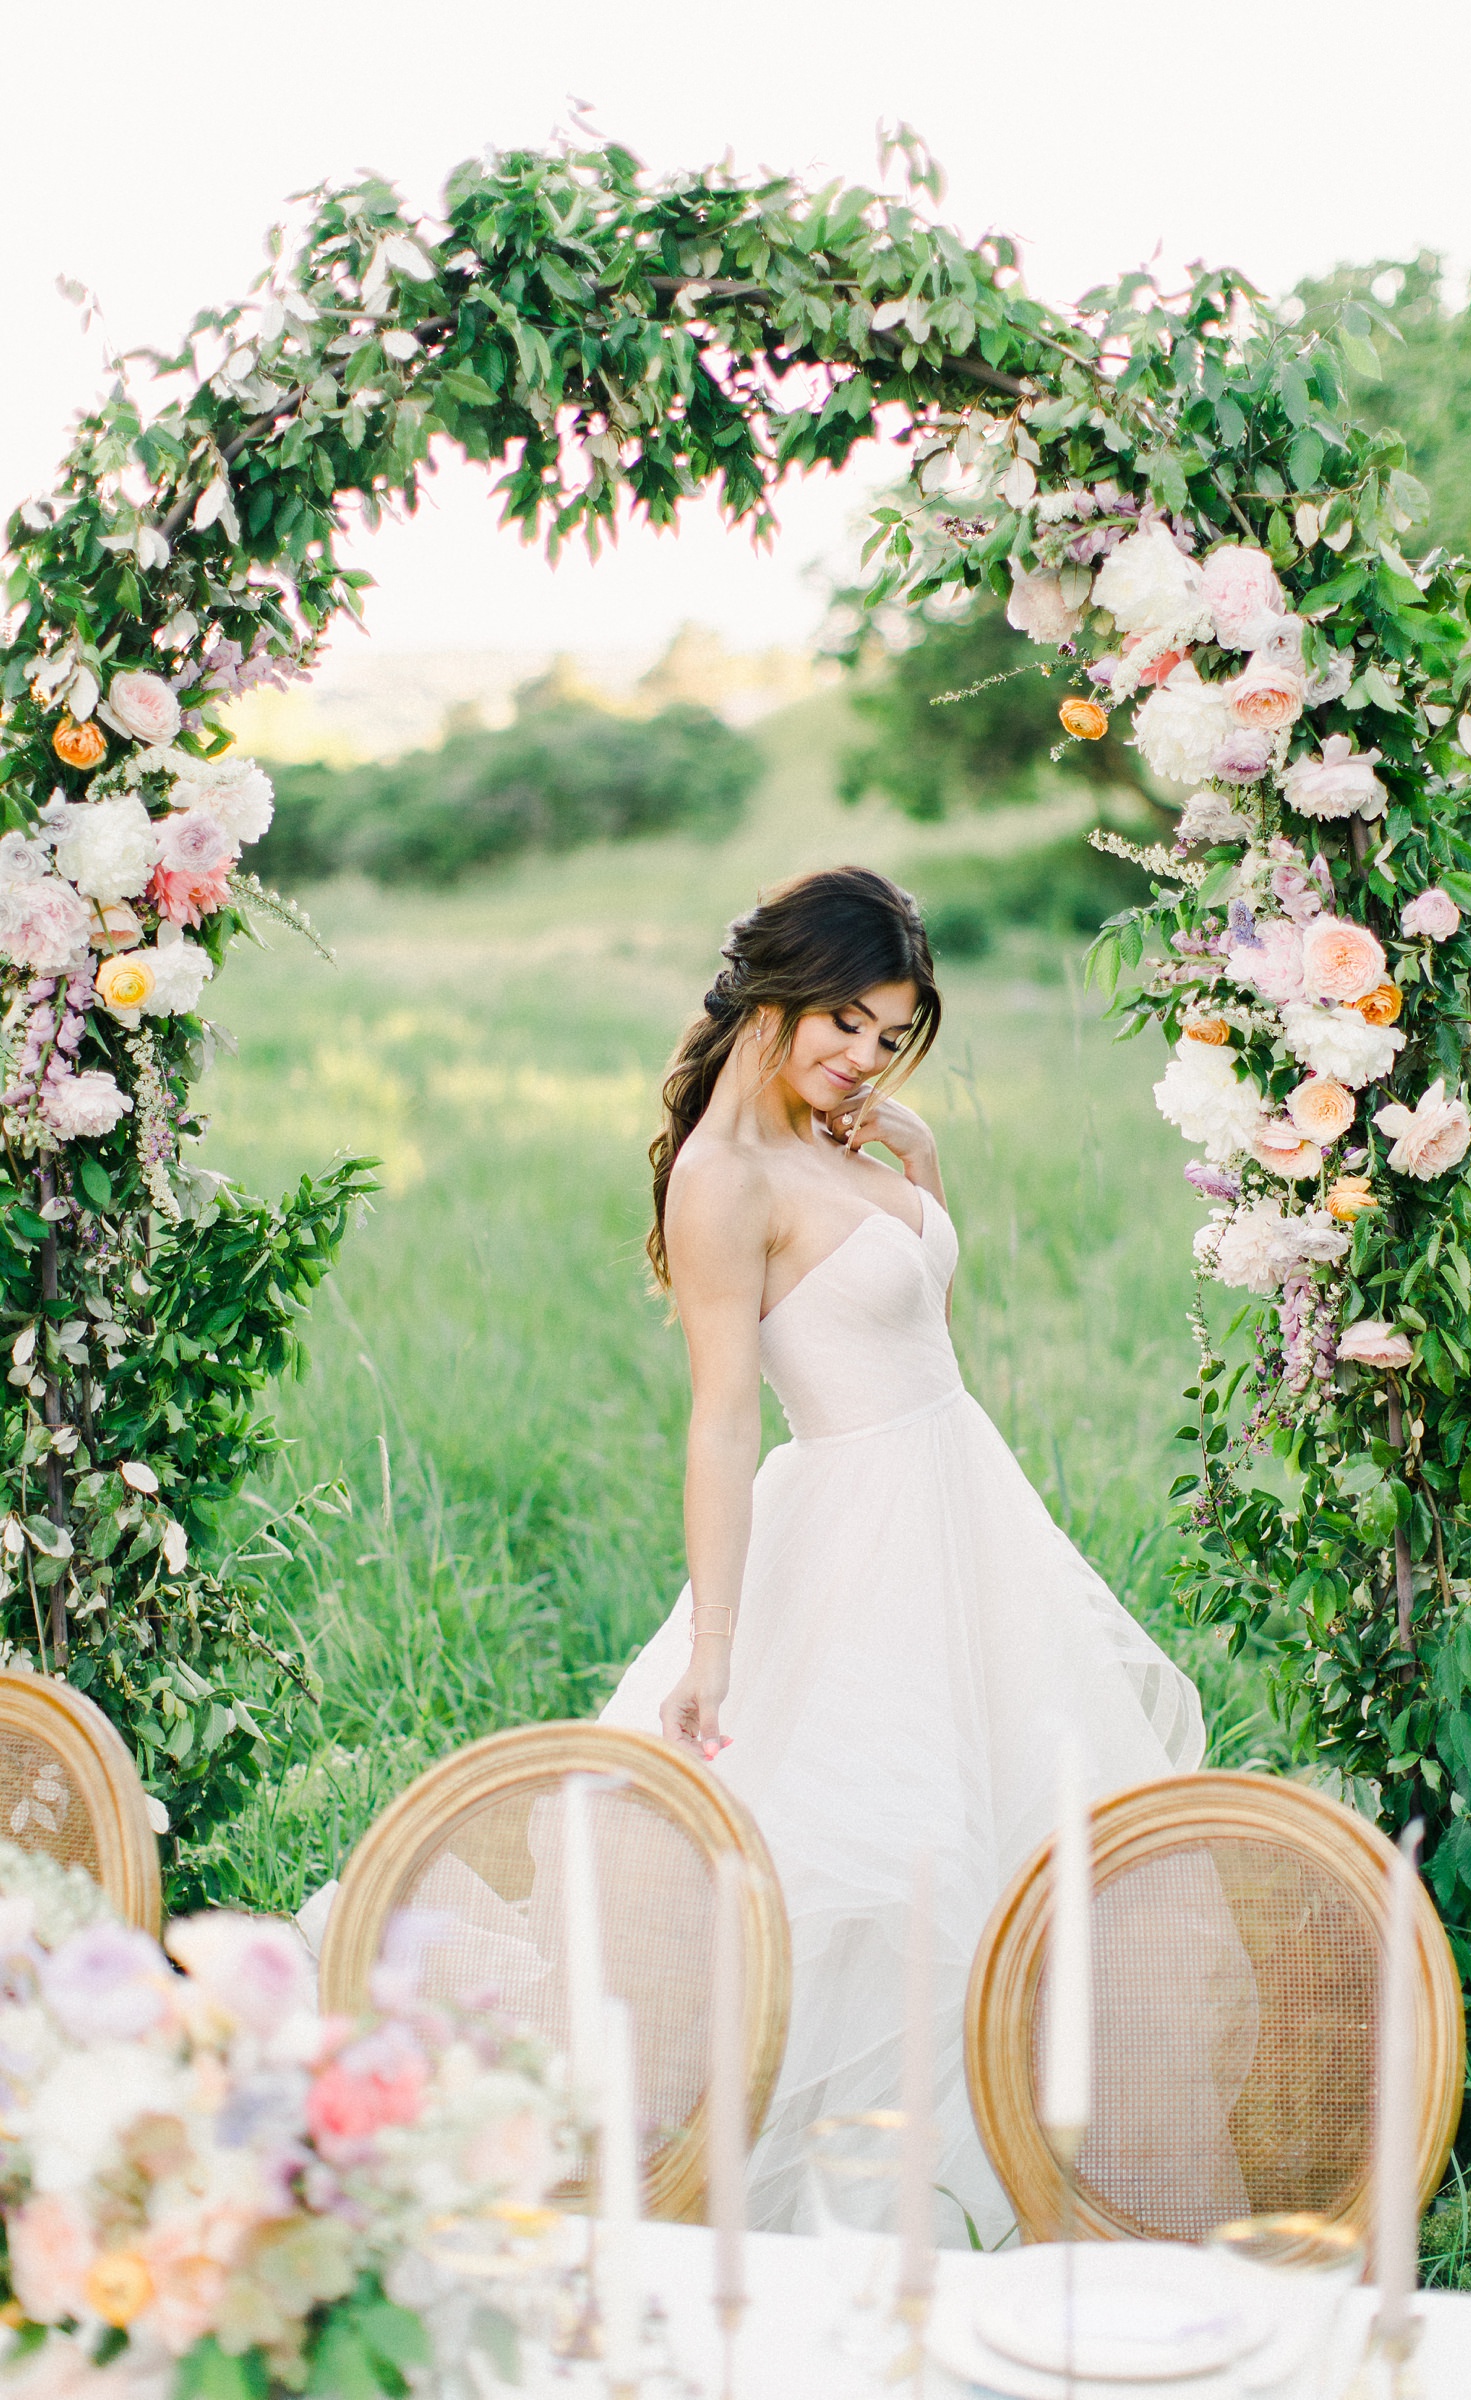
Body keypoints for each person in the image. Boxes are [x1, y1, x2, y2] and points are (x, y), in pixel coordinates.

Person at [600, 866, 1204, 2240]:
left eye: (891, 1033)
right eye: (847, 1024)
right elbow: (722, 1419)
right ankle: (878, 2218)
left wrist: (913, 1160)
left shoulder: (850, 1143)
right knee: (885, 1868)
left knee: (1020, 1839)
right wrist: (715, 1644)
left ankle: (1022, 2189)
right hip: (861, 1533)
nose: (864, 1056)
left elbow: (904, 1327)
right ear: (777, 993)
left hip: (968, 1514)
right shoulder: (723, 1178)